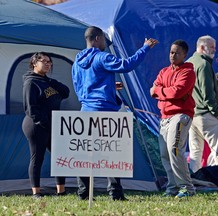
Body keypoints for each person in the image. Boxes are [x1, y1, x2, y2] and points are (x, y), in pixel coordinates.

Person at [72, 26, 158, 201]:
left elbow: (80, 85)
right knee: (110, 153)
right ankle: (115, 193)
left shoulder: (77, 61)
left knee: (85, 153)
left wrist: (109, 88)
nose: (105, 42)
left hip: (85, 111)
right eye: (104, 39)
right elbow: (126, 65)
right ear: (97, 39)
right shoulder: (102, 57)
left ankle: (83, 193)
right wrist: (145, 47)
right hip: (104, 112)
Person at [150, 39, 196, 198]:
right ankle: (173, 187)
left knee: (174, 149)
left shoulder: (188, 72)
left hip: (181, 115)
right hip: (164, 117)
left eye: (177, 52)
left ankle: (187, 188)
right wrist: (164, 91)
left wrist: (160, 92)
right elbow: (152, 90)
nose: (173, 55)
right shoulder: (164, 71)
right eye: (171, 52)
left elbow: (177, 92)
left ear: (184, 55)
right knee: (164, 154)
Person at [22, 52, 70, 199]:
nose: (48, 64)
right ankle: (36, 193)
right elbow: (31, 109)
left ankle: (60, 191)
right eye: (44, 61)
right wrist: (45, 123)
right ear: (34, 63)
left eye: (50, 62)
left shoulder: (48, 81)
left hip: (52, 124)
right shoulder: (31, 82)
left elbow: (66, 92)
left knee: (59, 156)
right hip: (36, 125)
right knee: (38, 158)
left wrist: (51, 81)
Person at [186, 35, 218, 173]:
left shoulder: (189, 62)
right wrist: (216, 112)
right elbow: (208, 93)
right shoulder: (204, 65)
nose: (214, 50)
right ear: (202, 47)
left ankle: (194, 180)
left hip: (192, 114)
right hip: (206, 114)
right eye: (211, 47)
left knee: (195, 153)